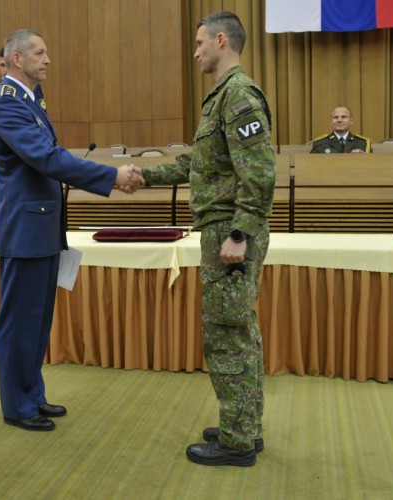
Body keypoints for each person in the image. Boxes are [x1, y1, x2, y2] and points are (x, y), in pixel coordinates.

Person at [0, 28, 143, 432]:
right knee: (19, 323)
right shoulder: (7, 102)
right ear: (16, 59)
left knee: (36, 322)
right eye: (39, 52)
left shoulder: (30, 100)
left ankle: (32, 395)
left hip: (42, 228)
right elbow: (46, 158)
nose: (48, 59)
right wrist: (111, 176)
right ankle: (18, 406)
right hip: (25, 231)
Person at [141, 11, 275, 467]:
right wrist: (144, 176)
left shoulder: (237, 96)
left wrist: (239, 233)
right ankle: (245, 427)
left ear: (221, 40)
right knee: (240, 332)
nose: (195, 51)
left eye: (200, 43)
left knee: (226, 337)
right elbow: (197, 164)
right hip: (225, 228)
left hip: (230, 231)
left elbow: (260, 173)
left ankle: (236, 443)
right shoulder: (222, 96)